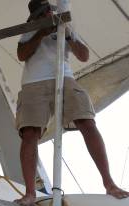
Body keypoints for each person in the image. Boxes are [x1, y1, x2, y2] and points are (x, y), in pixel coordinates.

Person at [14, 0, 129, 205]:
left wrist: (66, 33)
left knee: (87, 122)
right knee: (29, 133)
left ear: (50, 10)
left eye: (46, 12)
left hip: (64, 76)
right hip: (34, 82)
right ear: (34, 17)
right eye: (40, 15)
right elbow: (22, 54)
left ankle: (109, 183)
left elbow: (83, 56)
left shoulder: (65, 25)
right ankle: (30, 193)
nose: (45, 16)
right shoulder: (29, 30)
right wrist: (40, 32)